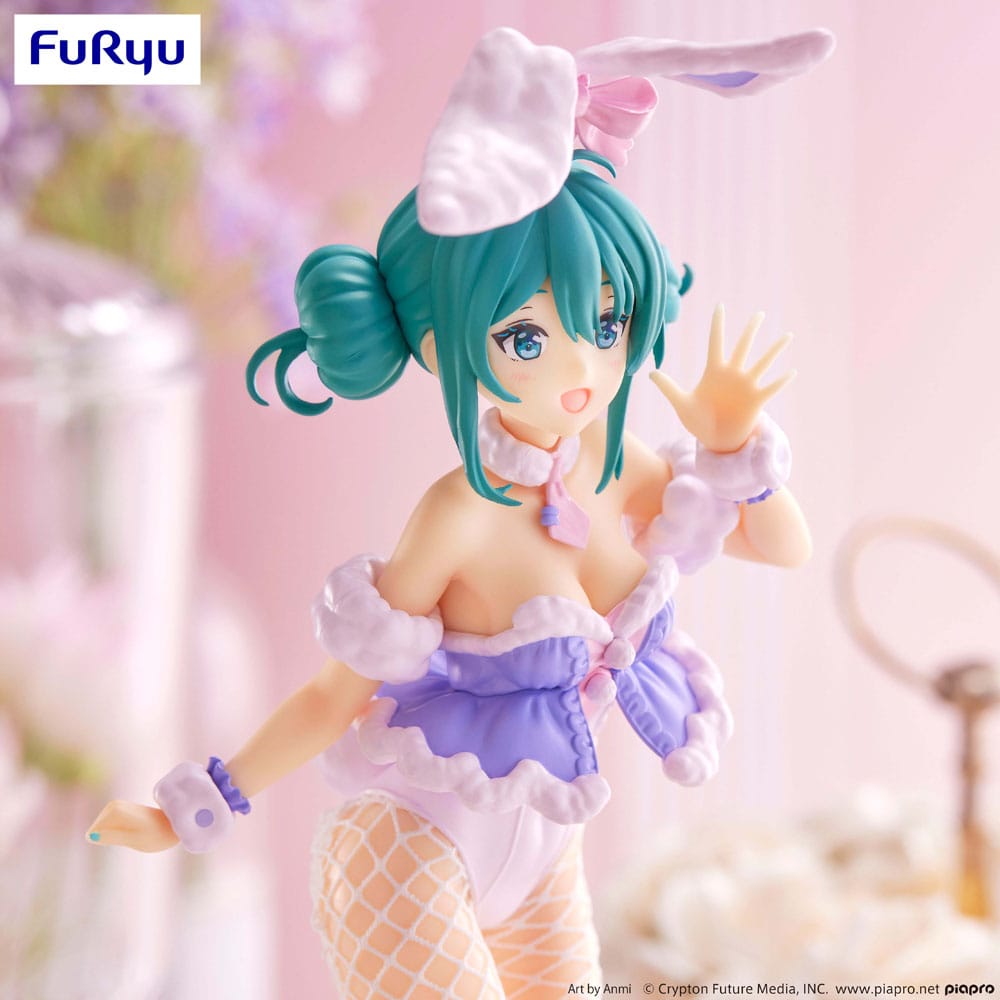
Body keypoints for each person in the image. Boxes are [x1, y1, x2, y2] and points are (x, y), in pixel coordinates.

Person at [88, 26, 831, 999]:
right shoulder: (458, 515)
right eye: (525, 337)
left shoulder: (621, 464)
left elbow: (783, 547)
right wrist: (198, 805)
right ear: (438, 345)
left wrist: (738, 453)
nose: (581, 366)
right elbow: (333, 696)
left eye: (606, 320)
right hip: (404, 854)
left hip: (543, 861)